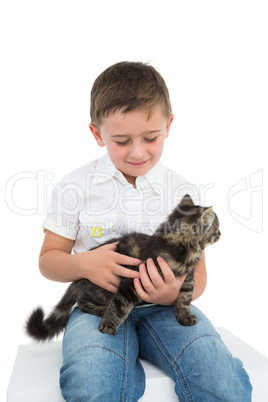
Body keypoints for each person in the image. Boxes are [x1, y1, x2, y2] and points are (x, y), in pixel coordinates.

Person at [40, 61, 252, 401]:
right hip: (99, 308)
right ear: (97, 134)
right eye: (122, 141)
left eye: (150, 137)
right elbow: (49, 260)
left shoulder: (182, 191)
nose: (137, 151)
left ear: (168, 126)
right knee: (92, 381)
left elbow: (199, 272)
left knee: (220, 378)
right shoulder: (75, 185)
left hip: (165, 309)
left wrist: (173, 295)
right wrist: (84, 265)